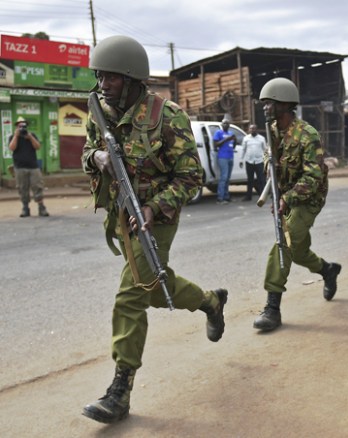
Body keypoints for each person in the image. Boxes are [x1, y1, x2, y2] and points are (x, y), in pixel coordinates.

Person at [80, 35, 227, 424]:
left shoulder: (167, 115)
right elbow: (86, 153)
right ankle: (210, 301)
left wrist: (153, 206)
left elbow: (191, 176)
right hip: (120, 214)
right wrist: (97, 157)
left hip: (154, 218)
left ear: (131, 79)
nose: (102, 83)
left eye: (109, 77)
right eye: (98, 75)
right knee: (154, 290)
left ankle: (120, 391)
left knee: (131, 296)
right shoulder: (100, 109)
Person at [253, 77, 341, 332]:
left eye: (269, 104)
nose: (265, 108)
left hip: (308, 199)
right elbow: (269, 162)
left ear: (284, 104)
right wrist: (274, 178)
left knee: (285, 240)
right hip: (286, 197)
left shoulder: (306, 135)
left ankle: (272, 308)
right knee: (299, 251)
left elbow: (313, 178)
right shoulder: (271, 132)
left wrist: (286, 198)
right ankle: (328, 271)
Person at [8, 117, 49, 217]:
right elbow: (12, 148)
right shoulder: (12, 136)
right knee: (22, 188)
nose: (22, 127)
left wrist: (30, 137)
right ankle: (25, 208)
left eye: (23, 125)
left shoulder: (32, 135)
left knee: (38, 186)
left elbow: (38, 147)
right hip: (19, 167)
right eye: (20, 125)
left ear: (26, 126)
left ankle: (41, 208)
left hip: (33, 166)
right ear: (17, 126)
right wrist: (16, 136)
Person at [240, 123, 267, 201]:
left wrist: (266, 161)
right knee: (250, 180)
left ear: (256, 129)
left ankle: (262, 196)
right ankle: (248, 196)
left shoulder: (261, 138)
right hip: (249, 161)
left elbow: (265, 150)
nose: (252, 130)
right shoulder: (246, 138)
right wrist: (241, 160)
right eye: (251, 129)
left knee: (261, 179)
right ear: (249, 130)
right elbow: (243, 150)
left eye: (254, 128)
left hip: (259, 161)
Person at [213, 118, 236, 204]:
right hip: (223, 157)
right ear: (222, 125)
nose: (226, 125)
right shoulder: (218, 133)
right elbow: (215, 145)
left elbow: (233, 145)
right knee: (223, 177)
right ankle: (220, 198)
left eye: (227, 123)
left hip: (230, 157)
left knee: (228, 178)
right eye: (224, 123)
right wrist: (227, 139)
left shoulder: (231, 133)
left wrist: (235, 140)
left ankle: (226, 197)